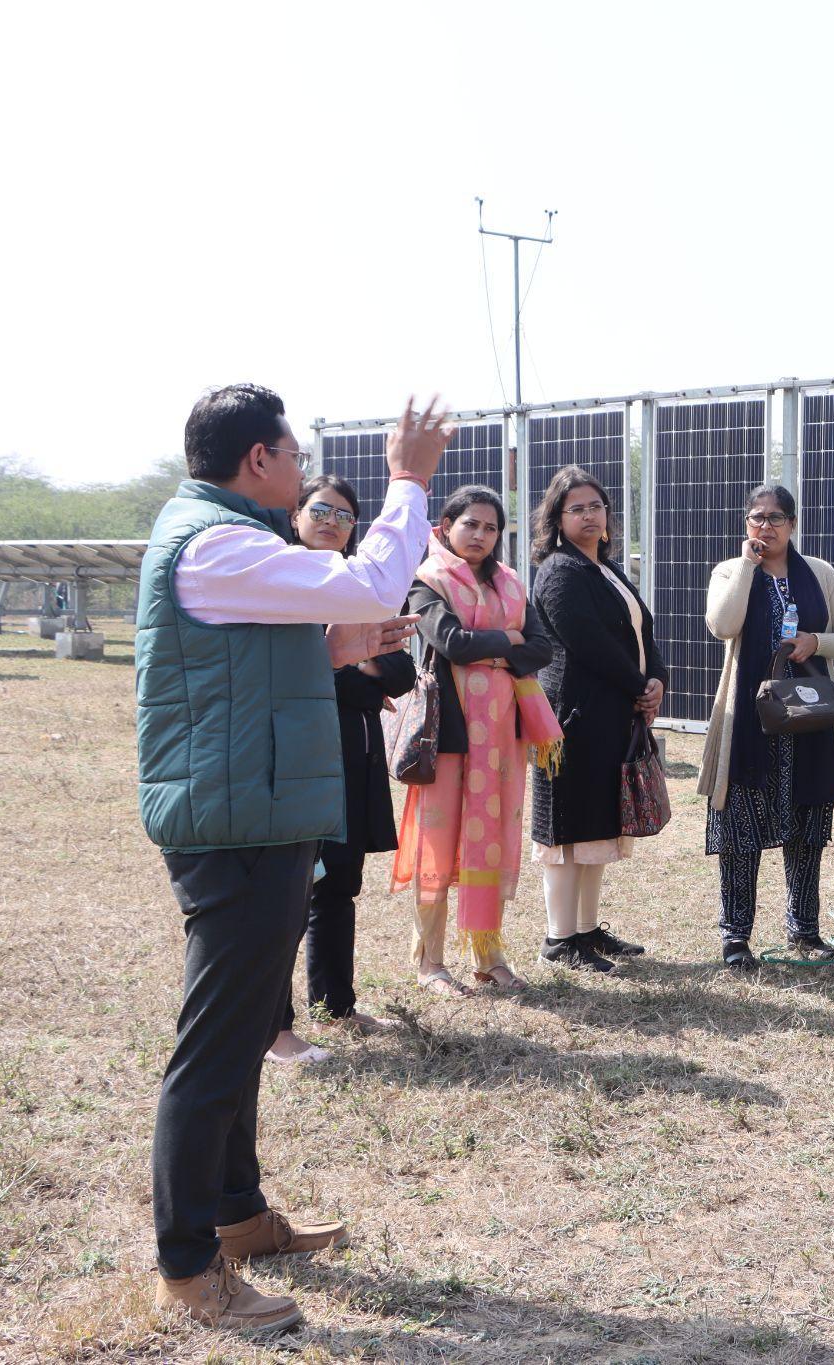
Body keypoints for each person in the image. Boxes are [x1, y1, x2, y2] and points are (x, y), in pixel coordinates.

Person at [137, 386, 449, 1331]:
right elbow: (369, 578)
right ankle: (189, 1271)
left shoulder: (224, 539)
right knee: (217, 1048)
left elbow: (243, 667)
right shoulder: (220, 540)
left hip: (254, 813)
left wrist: (329, 649)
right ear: (259, 462)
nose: (305, 471)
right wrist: (408, 481)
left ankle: (236, 1218)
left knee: (239, 1035)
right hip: (238, 822)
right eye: (293, 453)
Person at [265, 474, 417, 1066]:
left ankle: (336, 1002)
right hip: (292, 763)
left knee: (338, 886)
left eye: (346, 516)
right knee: (287, 893)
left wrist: (350, 673)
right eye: (320, 509)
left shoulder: (361, 590)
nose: (332, 521)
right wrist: (352, 673)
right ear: (296, 515)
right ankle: (274, 1028)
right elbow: (296, 676)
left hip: (351, 761)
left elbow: (400, 676)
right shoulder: (273, 583)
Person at [391, 485, 559, 996]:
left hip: (501, 740)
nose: (481, 535)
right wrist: (508, 643)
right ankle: (431, 963)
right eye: (471, 524)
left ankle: (489, 955)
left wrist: (500, 648)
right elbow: (451, 643)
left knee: (490, 841)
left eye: (491, 528)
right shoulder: (428, 581)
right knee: (439, 845)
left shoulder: (511, 584)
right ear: (444, 527)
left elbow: (542, 648)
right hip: (447, 733)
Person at [699, 484, 834, 968]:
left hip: (809, 719)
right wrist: (749, 566)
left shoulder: (820, 573)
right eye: (756, 518)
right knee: (739, 833)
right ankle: (735, 937)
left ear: (793, 524)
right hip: (747, 722)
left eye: (775, 518)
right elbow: (723, 625)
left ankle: (804, 931)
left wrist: (816, 641)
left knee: (807, 830)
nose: (765, 527)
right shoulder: (730, 571)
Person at [528, 465, 668, 973]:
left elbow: (640, 632)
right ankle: (558, 939)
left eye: (596, 506)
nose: (589, 515)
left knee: (595, 829)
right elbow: (589, 643)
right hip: (573, 721)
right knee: (565, 832)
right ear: (558, 518)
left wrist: (657, 681)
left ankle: (586, 930)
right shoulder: (559, 571)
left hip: (612, 717)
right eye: (577, 508)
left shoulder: (606, 569)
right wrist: (638, 686)